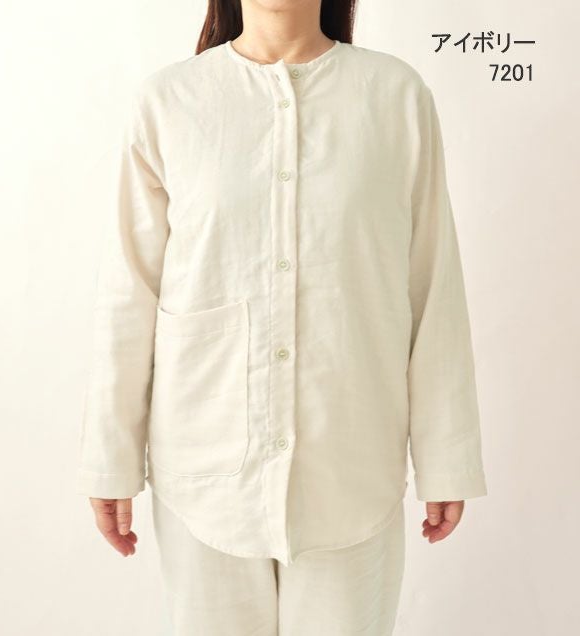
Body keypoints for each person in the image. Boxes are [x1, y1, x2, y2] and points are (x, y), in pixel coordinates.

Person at [76, 1, 489, 634]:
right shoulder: (169, 102)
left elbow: (432, 284)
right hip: (203, 467)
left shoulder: (395, 97)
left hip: (352, 464)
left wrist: (447, 456)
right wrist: (111, 456)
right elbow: (128, 291)